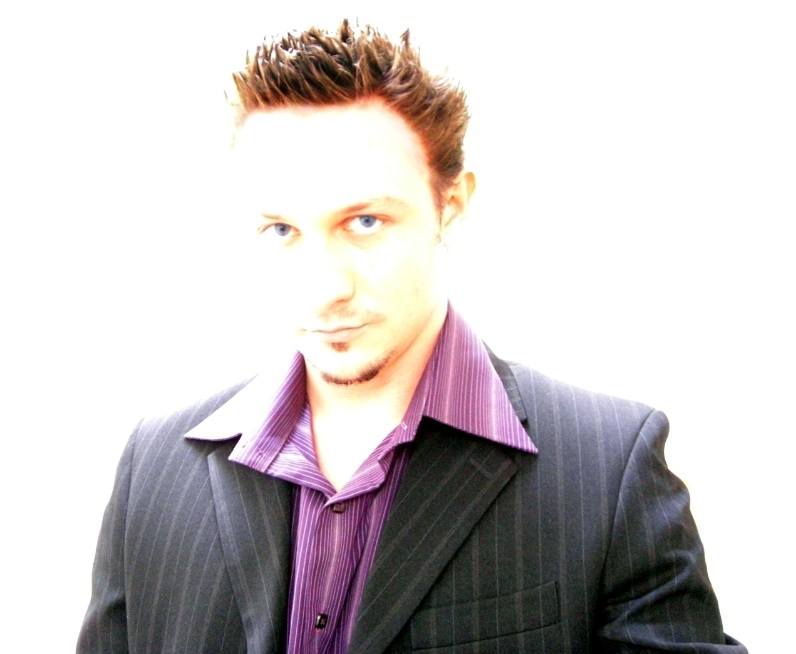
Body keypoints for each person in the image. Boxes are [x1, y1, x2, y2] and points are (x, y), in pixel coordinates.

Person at [78, 19, 746, 653]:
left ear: (450, 208)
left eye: (365, 222)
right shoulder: (152, 465)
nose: (323, 289)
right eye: (281, 230)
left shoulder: (610, 467)